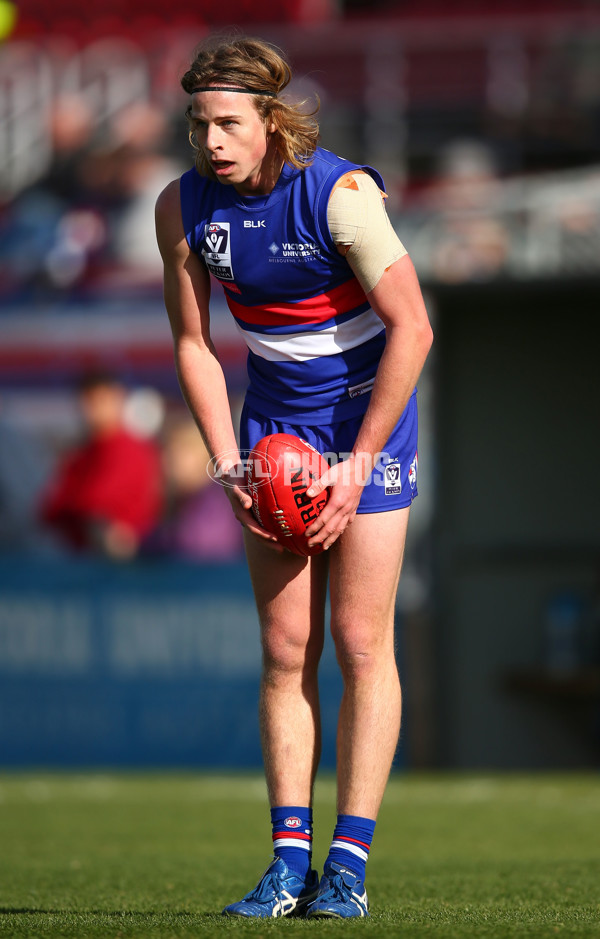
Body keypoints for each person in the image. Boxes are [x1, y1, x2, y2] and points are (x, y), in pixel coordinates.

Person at [155, 35, 433, 919]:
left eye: (229, 123)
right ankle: (286, 866)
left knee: (359, 641)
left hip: (367, 424)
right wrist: (224, 456)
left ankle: (346, 869)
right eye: (199, 124)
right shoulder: (184, 206)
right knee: (284, 650)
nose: (212, 141)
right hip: (271, 426)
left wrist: (357, 465)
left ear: (272, 119)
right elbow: (196, 345)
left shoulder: (340, 194)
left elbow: (414, 329)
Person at [39, 370, 164, 560]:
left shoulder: (132, 448)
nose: (93, 409)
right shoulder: (80, 453)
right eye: (88, 401)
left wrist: (74, 508)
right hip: (77, 557)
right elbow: (51, 508)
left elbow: (98, 502)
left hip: (127, 560)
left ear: (119, 399)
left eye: (101, 400)